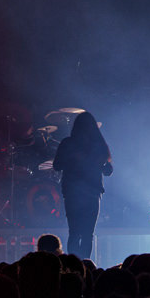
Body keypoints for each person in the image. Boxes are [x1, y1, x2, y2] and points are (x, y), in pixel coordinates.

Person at [53, 111, 112, 261]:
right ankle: (85, 266)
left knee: (75, 232)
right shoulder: (98, 145)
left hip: (74, 192)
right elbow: (108, 170)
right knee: (87, 234)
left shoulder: (68, 143)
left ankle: (74, 266)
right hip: (91, 193)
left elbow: (57, 165)